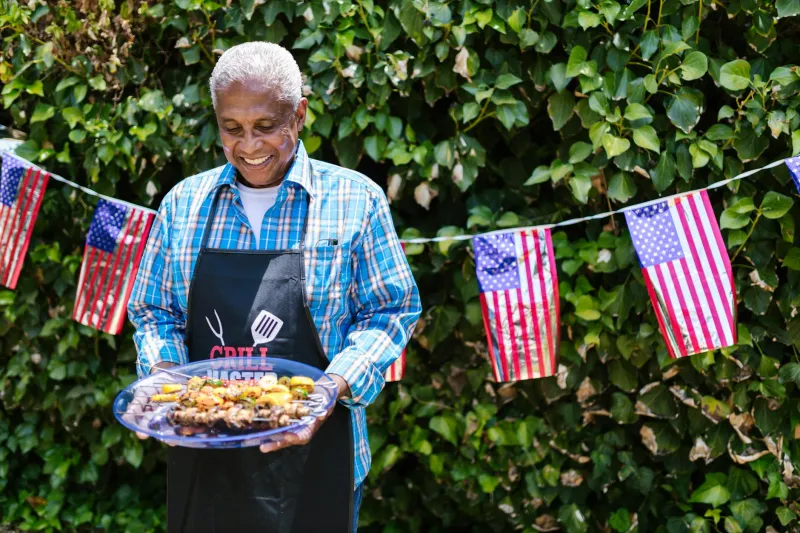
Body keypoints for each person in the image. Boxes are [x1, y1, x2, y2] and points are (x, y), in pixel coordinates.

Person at [127, 41, 421, 533]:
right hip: (205, 453)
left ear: (299, 114)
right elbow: (156, 312)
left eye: (266, 127)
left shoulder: (355, 199)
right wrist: (164, 378)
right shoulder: (184, 204)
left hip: (319, 456)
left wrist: (329, 389)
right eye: (231, 128)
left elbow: (389, 311)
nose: (249, 146)